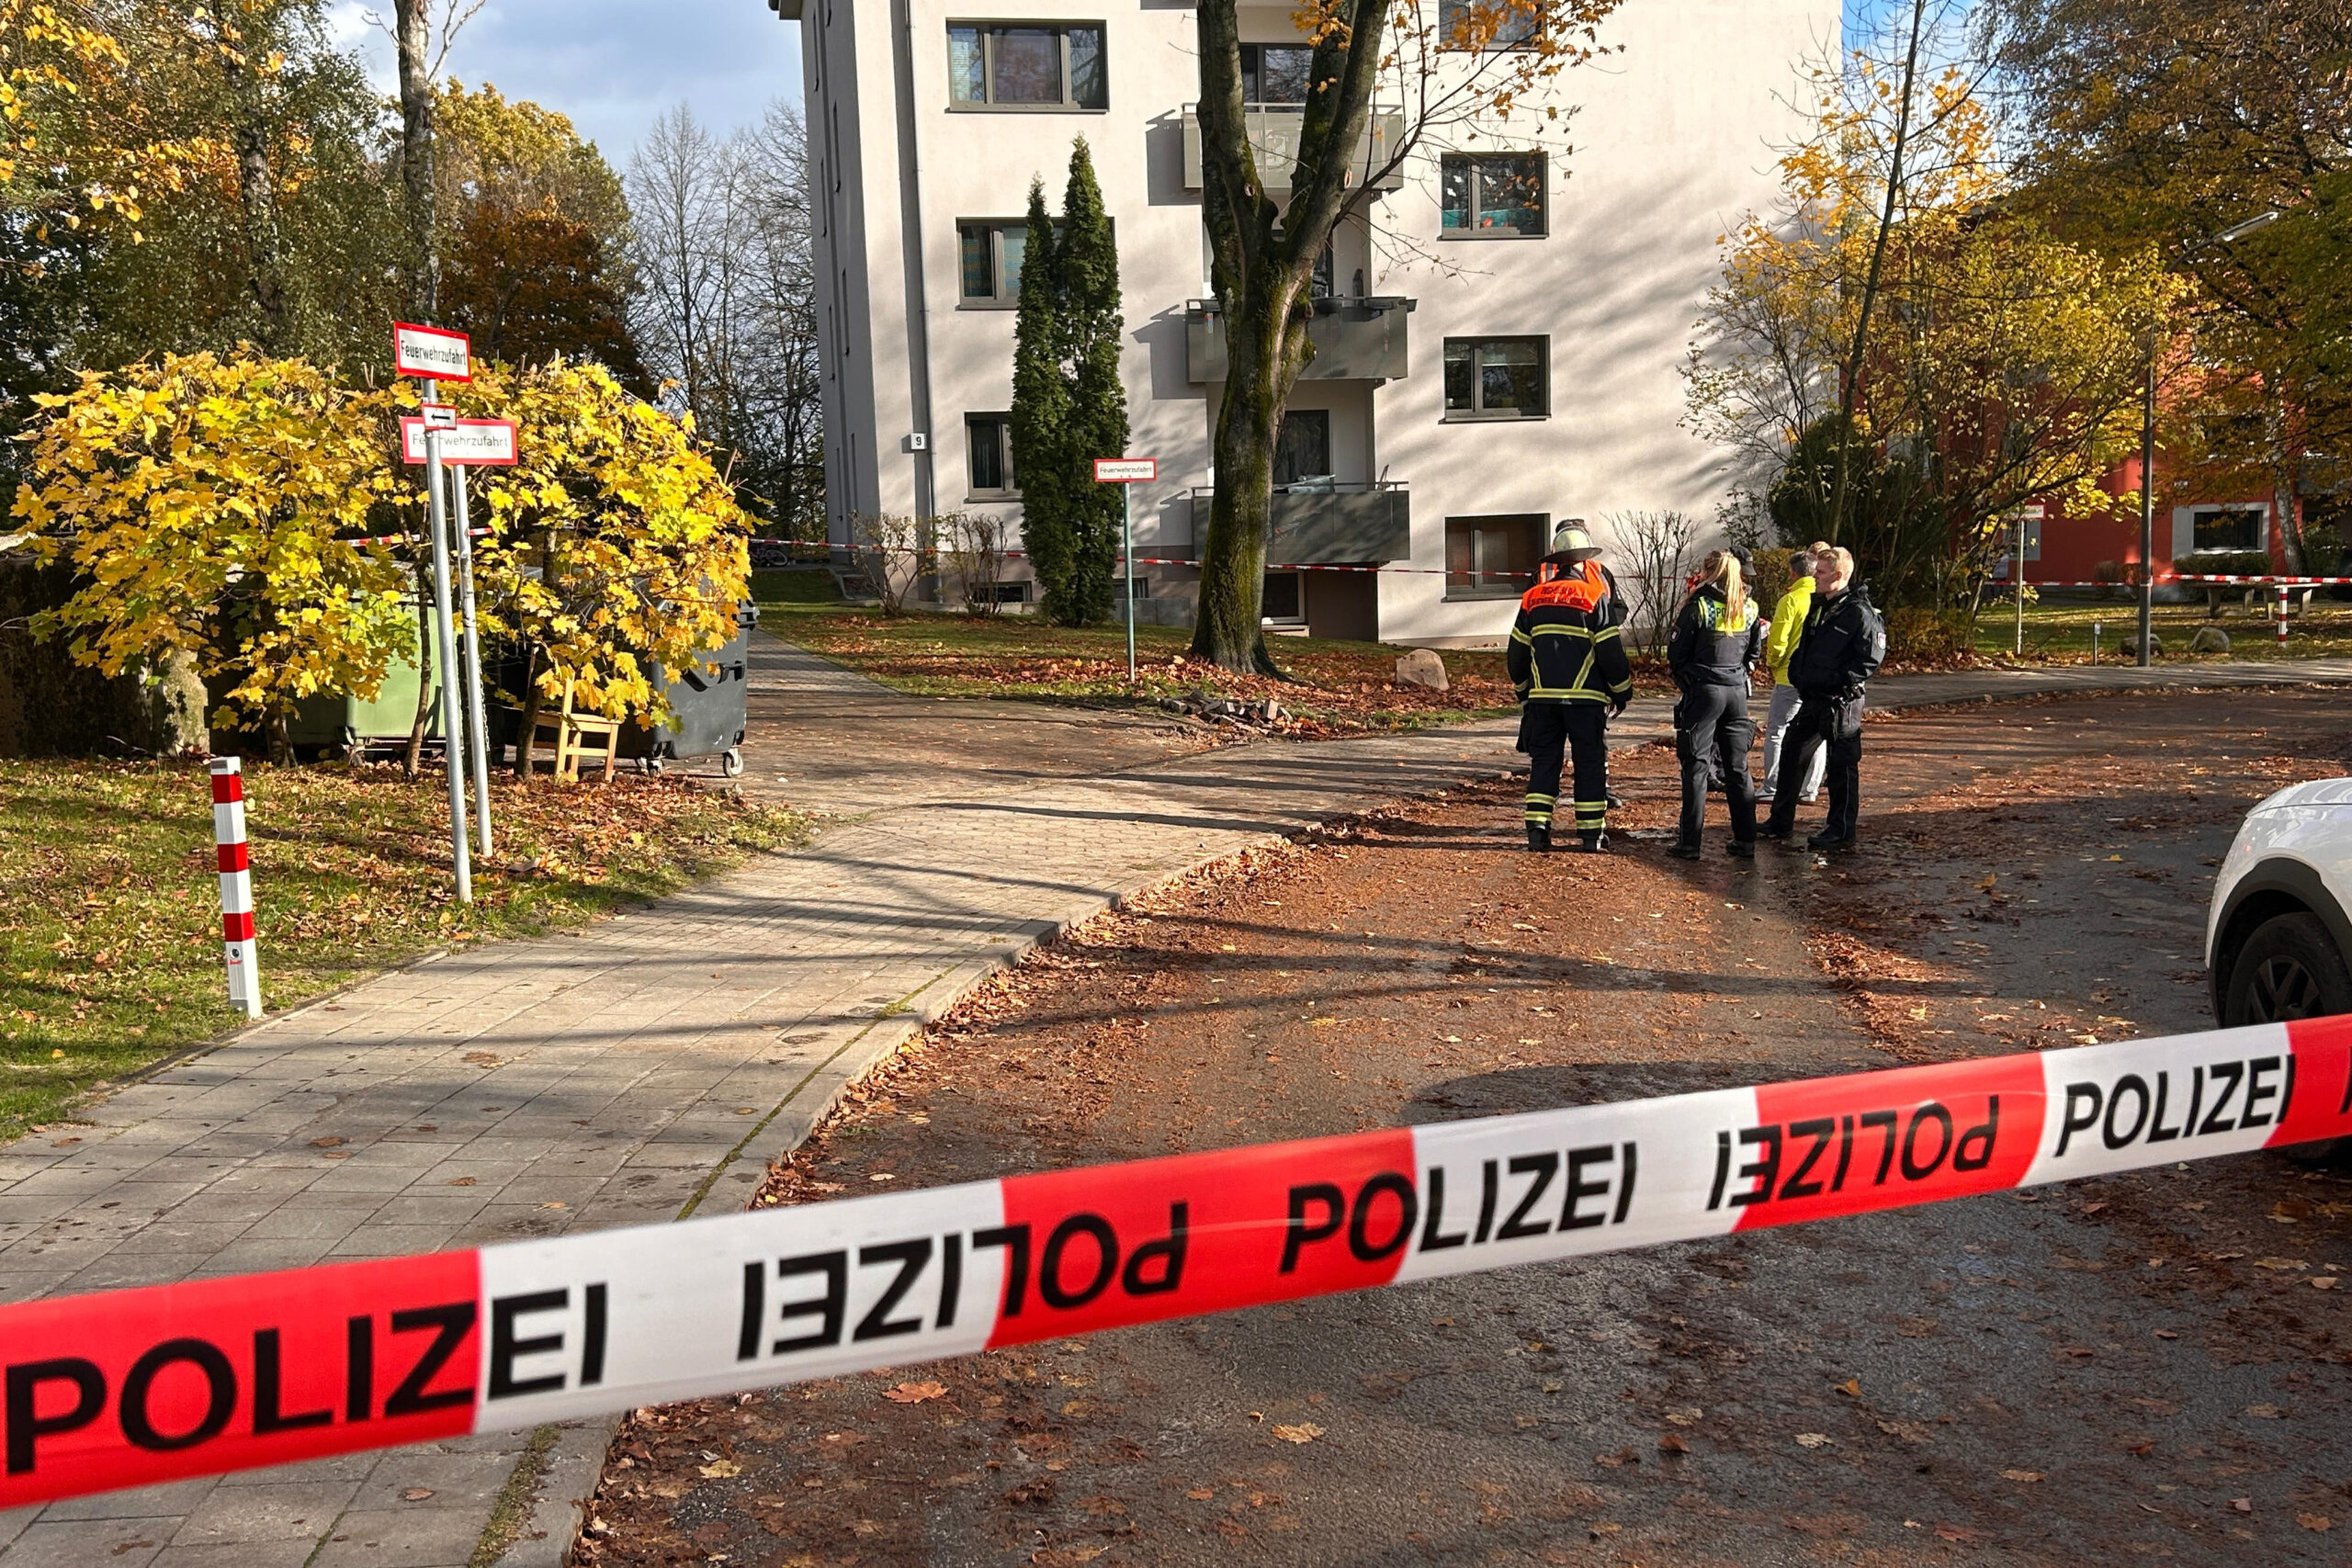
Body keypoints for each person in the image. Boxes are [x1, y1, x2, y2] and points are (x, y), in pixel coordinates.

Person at [1509, 523, 1633, 853]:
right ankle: (1591, 837)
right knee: (1589, 764)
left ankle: (1537, 831)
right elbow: (1610, 652)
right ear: (1582, 563)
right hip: (1586, 702)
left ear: (1558, 560)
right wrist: (1622, 691)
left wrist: (1524, 692)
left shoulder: (1532, 598)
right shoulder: (1595, 597)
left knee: (1544, 763)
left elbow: (1516, 653)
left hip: (1543, 701)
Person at [1758, 547, 1885, 852]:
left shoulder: (1859, 612)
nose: (1815, 576)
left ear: (1840, 576)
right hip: (1813, 696)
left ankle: (1841, 830)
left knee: (1842, 765)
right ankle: (1780, 821)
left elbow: (1870, 659)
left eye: (1821, 572)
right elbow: (1805, 646)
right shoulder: (1819, 605)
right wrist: (1799, 675)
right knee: (1791, 753)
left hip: (1841, 701)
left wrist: (1840, 683)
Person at [1667, 550, 1765, 860]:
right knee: (1738, 768)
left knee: (1696, 767)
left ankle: (1690, 843)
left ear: (1708, 572)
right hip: (1736, 693)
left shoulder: (1699, 606)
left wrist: (1689, 682)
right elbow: (1753, 653)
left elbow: (1676, 653)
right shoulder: (1749, 608)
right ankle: (1746, 840)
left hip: (1704, 692)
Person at [1756, 547, 1827, 807]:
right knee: (1816, 734)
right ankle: (1809, 788)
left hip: (1789, 676)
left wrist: (1773, 662)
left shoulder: (1791, 600)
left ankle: (1772, 785)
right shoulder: (1822, 598)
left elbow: (1779, 639)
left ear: (1793, 573)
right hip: (1816, 676)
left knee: (1777, 730)